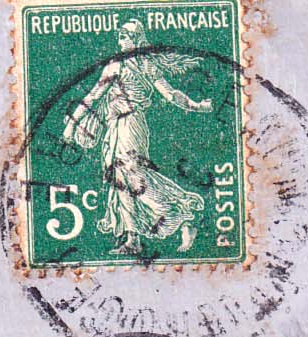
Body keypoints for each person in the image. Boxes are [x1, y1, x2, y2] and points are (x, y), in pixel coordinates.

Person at [62, 19, 211, 255]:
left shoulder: (143, 65)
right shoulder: (116, 64)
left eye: (126, 34)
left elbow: (170, 94)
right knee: (119, 180)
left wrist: (196, 106)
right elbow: (93, 96)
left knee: (133, 175)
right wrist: (72, 125)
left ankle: (180, 216)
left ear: (137, 39)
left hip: (131, 124)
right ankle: (133, 239)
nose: (121, 38)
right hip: (114, 127)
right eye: (120, 34)